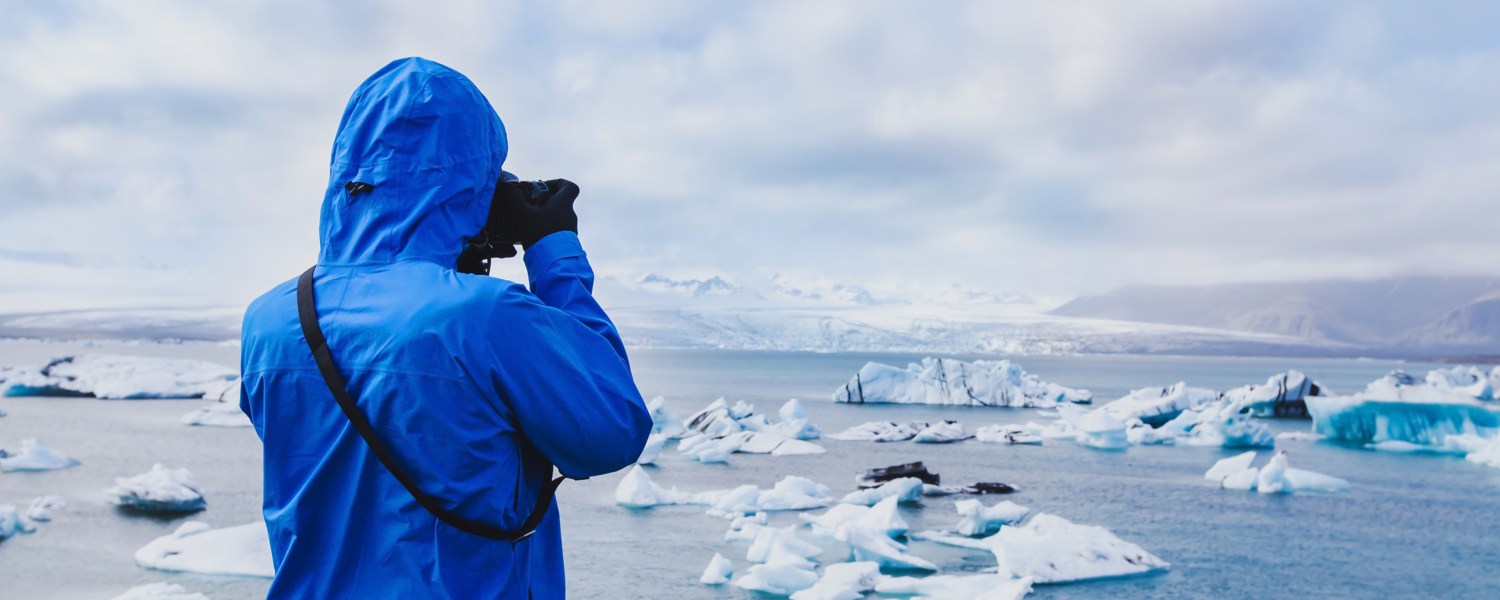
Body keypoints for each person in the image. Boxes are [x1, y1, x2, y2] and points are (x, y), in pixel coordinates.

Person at [239, 57, 652, 599]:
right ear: (473, 182)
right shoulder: (483, 316)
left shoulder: (270, 318)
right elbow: (612, 429)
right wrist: (554, 251)